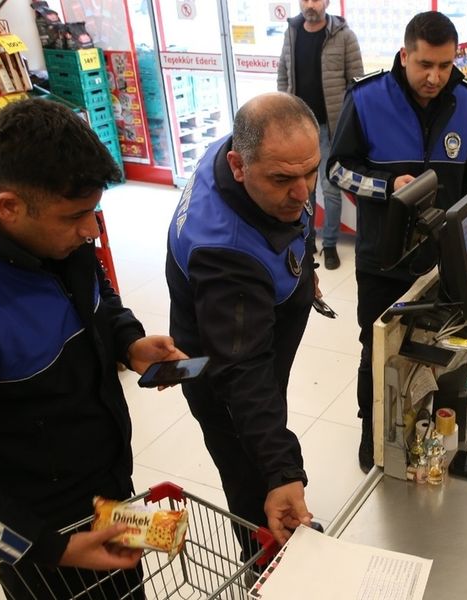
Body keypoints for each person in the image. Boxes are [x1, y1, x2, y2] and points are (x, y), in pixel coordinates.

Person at [0, 98, 185, 598]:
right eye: (76, 217)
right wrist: (53, 550)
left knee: (127, 587)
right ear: (8, 206)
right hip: (41, 537)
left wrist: (127, 341)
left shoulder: (51, 229)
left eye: (94, 212)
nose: (91, 230)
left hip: (105, 485)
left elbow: (96, 295)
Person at [327, 11, 467, 471]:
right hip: (382, 258)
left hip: (443, 259)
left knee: (438, 349)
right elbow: (336, 169)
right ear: (405, 55)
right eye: (424, 64)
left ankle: (428, 428)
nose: (434, 77)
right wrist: (385, 185)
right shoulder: (367, 98)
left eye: (444, 65)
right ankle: (371, 430)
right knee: (376, 350)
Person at [166, 93, 317, 552]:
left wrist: (301, 271)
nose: (303, 192)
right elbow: (244, 371)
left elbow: (291, 221)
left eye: (311, 171)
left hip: (249, 333)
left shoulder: (245, 155)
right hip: (226, 378)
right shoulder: (225, 252)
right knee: (255, 486)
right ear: (238, 166)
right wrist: (282, 470)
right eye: (284, 179)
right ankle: (266, 568)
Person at [278, 0, 363, 270]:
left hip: (330, 128)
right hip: (298, 127)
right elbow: (283, 74)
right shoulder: (291, 32)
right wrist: (283, 110)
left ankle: (329, 244)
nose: (309, 4)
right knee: (303, 190)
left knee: (330, 188)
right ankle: (307, 239)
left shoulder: (344, 36)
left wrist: (349, 124)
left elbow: (357, 83)